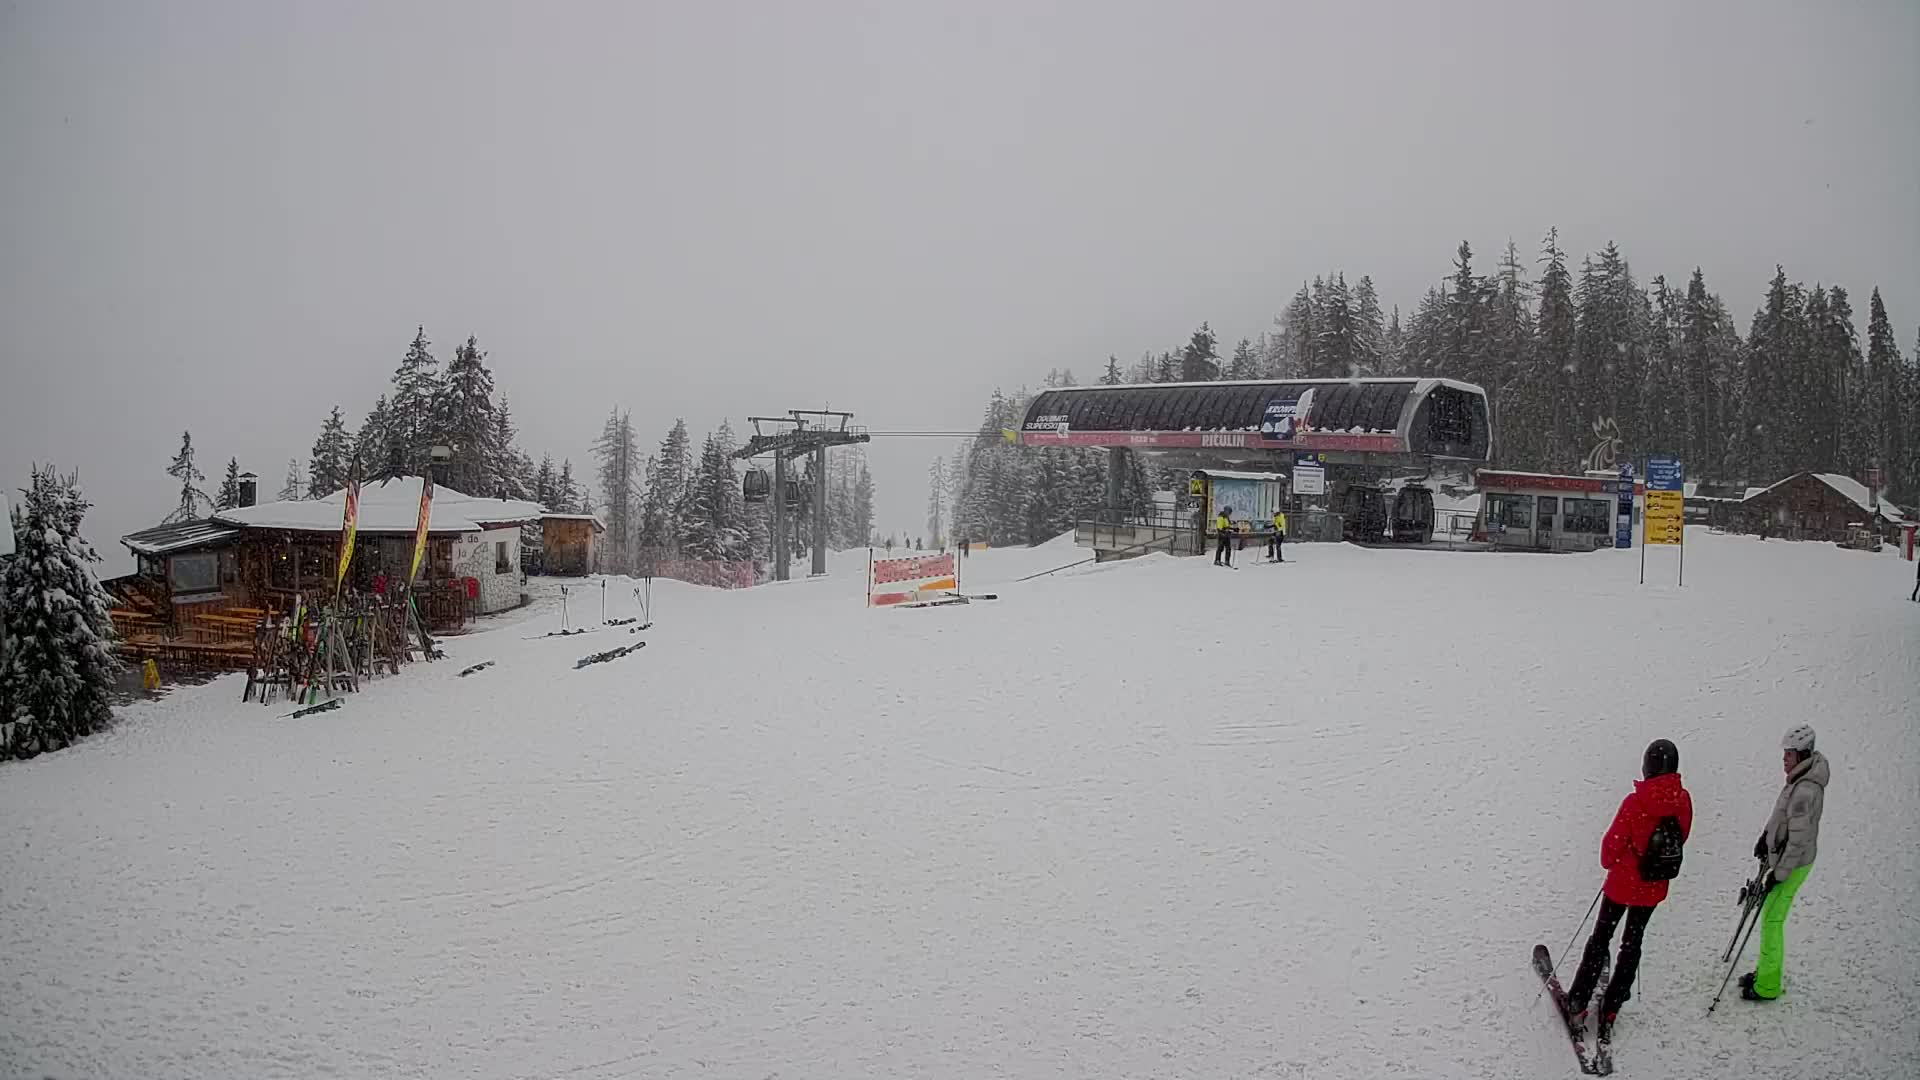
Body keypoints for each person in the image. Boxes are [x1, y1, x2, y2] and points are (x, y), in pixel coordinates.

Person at [1566, 738, 1693, 1041]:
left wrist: (1614, 863)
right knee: (1632, 942)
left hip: (1622, 887)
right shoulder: (1683, 800)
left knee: (1601, 939)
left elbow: (1610, 847)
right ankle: (1612, 1006)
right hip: (1652, 888)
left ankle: (1579, 1003)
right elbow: (1682, 836)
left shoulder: (1636, 803)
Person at [1741, 724, 1829, 1002]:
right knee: (1770, 918)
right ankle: (1767, 972)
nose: (1784, 759)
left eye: (1789, 754)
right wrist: (1765, 836)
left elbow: (1798, 841)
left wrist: (1779, 874)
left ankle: (1767, 986)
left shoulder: (1805, 790)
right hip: (1783, 859)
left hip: (1793, 864)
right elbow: (1781, 816)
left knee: (1771, 920)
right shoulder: (1797, 780)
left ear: (1802, 754)